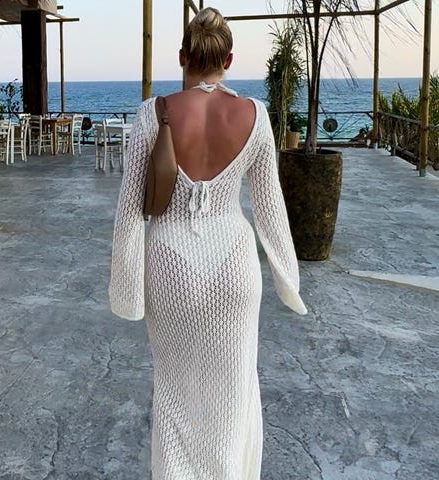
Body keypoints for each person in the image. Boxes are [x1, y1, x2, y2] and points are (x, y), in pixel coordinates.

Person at [109, 7, 307, 479]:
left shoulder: (153, 114)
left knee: (175, 394)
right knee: (234, 395)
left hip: (169, 266)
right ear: (229, 60)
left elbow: (130, 210)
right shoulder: (255, 115)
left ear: (182, 56)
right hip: (234, 266)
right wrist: (288, 281)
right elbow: (270, 206)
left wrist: (127, 291)